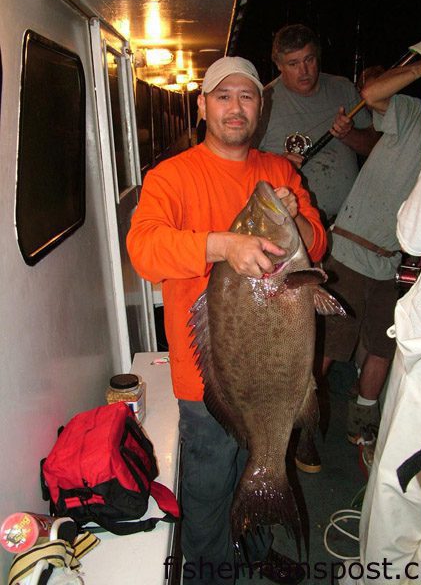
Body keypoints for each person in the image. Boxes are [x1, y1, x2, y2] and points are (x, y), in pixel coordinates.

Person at [127, 56, 327, 585]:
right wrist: (222, 246)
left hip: (277, 372)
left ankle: (256, 548)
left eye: (247, 97)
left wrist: (298, 220)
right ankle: (211, 574)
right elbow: (144, 251)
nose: (235, 107)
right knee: (211, 486)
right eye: (223, 96)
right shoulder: (170, 176)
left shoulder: (280, 172)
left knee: (255, 465)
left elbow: (317, 240)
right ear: (202, 106)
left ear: (260, 107)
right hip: (207, 380)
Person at [338, 0, 421, 584]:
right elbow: (373, 94)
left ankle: (382, 575)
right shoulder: (414, 116)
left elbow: (413, 231)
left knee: (404, 478)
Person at [295, 57, 421, 473]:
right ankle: (302, 430)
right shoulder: (418, 115)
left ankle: (360, 424)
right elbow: (372, 95)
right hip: (350, 253)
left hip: (391, 263)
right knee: (328, 347)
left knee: (383, 345)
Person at [254, 24, 380, 225]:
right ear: (278, 64)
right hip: (294, 227)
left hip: (349, 224)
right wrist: (278, 165)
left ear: (318, 56)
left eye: (309, 60)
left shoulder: (343, 88)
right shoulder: (262, 102)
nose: (303, 71)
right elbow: (244, 165)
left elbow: (374, 147)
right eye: (293, 64)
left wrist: (349, 134)